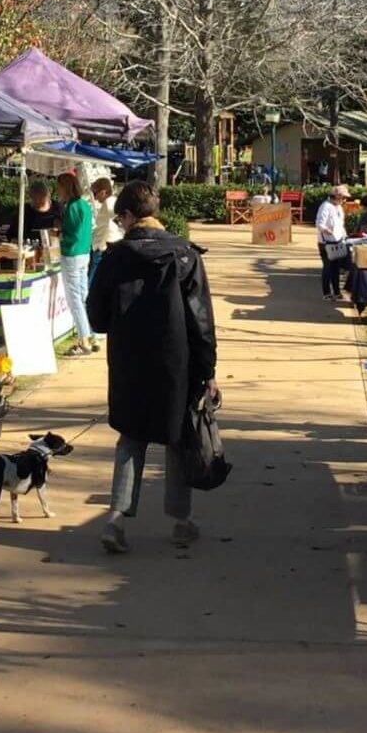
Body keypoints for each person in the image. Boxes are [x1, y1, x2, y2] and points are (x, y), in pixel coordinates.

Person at [87, 181, 217, 553]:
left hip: (129, 358)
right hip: (177, 359)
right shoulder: (185, 255)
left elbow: (96, 317)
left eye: (119, 218)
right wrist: (207, 369)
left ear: (128, 216)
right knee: (177, 437)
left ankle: (115, 519)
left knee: (131, 436)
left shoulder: (115, 258)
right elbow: (201, 318)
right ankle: (181, 520)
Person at [57, 172, 96, 355]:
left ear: (66, 187)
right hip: (84, 253)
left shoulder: (72, 206)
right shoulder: (85, 205)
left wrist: (59, 234)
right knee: (83, 295)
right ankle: (90, 334)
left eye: (59, 187)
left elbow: (72, 234)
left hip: (72, 254)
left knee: (75, 300)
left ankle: (84, 340)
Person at [315, 184, 351, 301]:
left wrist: (344, 236)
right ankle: (326, 293)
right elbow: (320, 224)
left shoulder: (339, 208)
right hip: (326, 243)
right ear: (337, 196)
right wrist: (327, 230)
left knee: (336, 268)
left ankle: (336, 292)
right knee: (328, 267)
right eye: (343, 197)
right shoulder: (325, 207)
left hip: (338, 241)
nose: (344, 200)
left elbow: (341, 224)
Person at [89, 177, 121, 278]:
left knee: (93, 279)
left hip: (102, 246)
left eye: (95, 194)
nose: (95, 198)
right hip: (105, 245)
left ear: (103, 192)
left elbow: (117, 216)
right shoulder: (111, 201)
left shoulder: (109, 202)